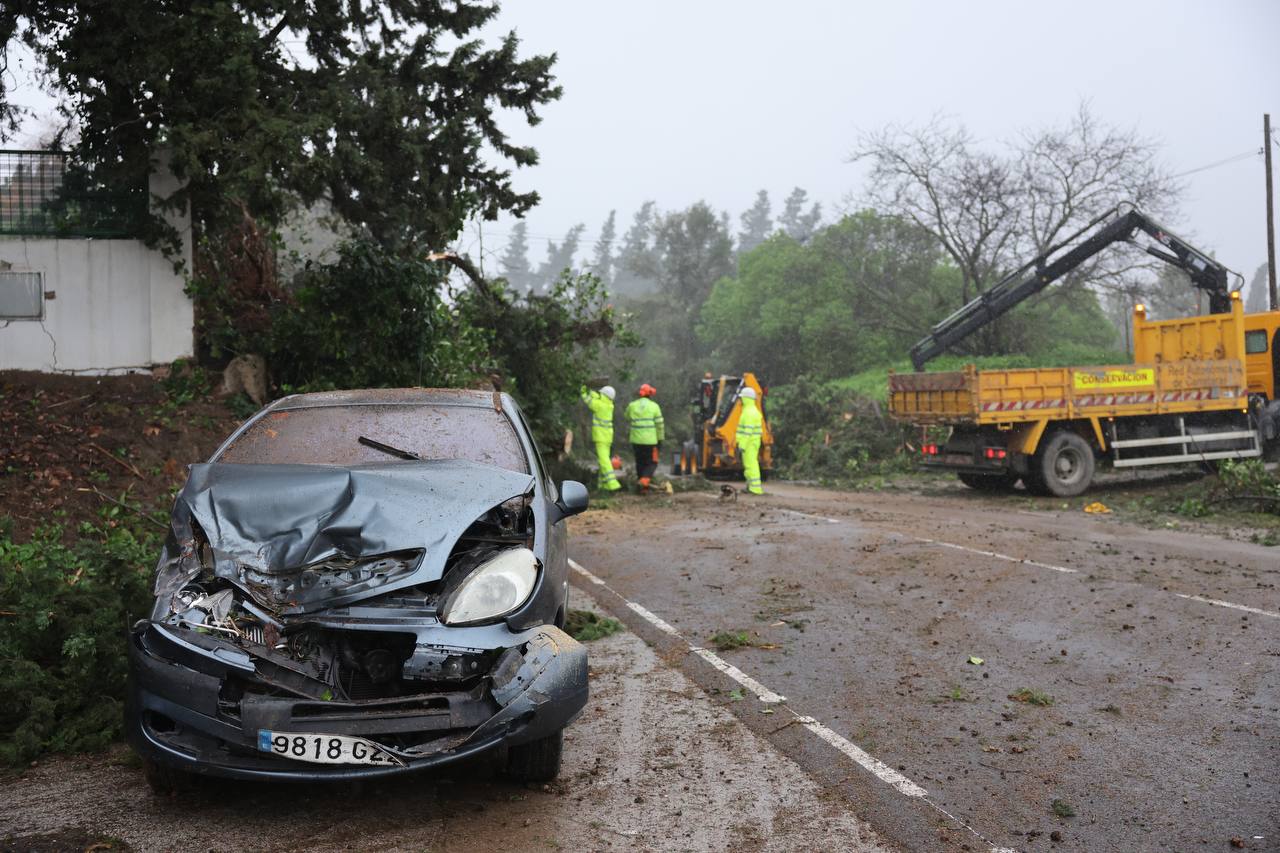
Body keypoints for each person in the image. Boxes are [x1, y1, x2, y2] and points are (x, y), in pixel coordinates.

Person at [624, 383, 664, 494]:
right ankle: (644, 481)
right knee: (652, 463)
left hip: (636, 440)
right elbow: (660, 425)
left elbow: (626, 416)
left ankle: (642, 488)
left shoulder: (632, 405)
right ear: (650, 394)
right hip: (651, 441)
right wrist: (660, 440)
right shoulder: (654, 406)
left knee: (640, 462)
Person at [580, 384, 621, 492]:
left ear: (604, 395)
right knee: (603, 460)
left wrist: (584, 390)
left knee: (604, 461)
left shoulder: (599, 405)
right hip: (607, 437)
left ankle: (613, 484)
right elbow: (597, 396)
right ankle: (603, 485)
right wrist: (591, 390)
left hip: (601, 437)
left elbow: (588, 400)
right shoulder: (608, 404)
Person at [737, 386, 764, 495]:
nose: (740, 400)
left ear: (746, 398)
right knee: (749, 465)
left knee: (751, 465)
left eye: (742, 398)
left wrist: (742, 444)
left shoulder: (749, 412)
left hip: (749, 443)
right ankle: (750, 486)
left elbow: (748, 431)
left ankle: (755, 488)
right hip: (750, 442)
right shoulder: (750, 411)